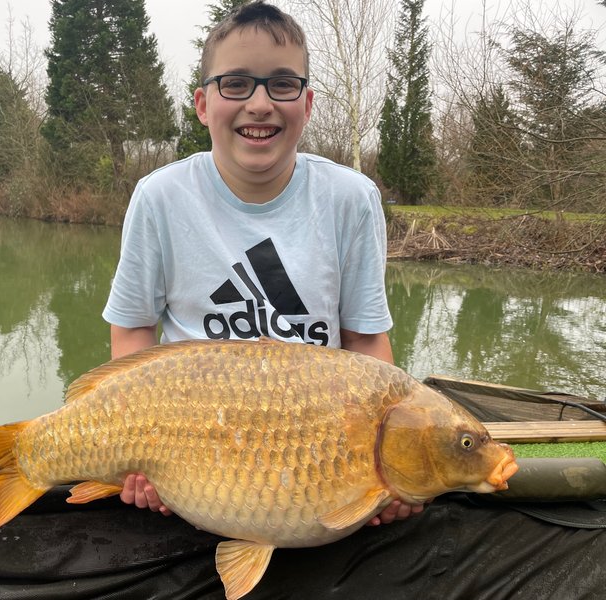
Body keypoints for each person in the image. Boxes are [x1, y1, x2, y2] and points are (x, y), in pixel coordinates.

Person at [102, 1, 423, 525]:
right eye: (235, 84)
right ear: (203, 104)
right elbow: (134, 327)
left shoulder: (353, 199)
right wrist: (138, 444)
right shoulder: (159, 196)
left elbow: (365, 342)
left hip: (314, 451)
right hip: (190, 445)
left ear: (307, 104)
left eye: (282, 84)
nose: (259, 104)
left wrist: (385, 468)